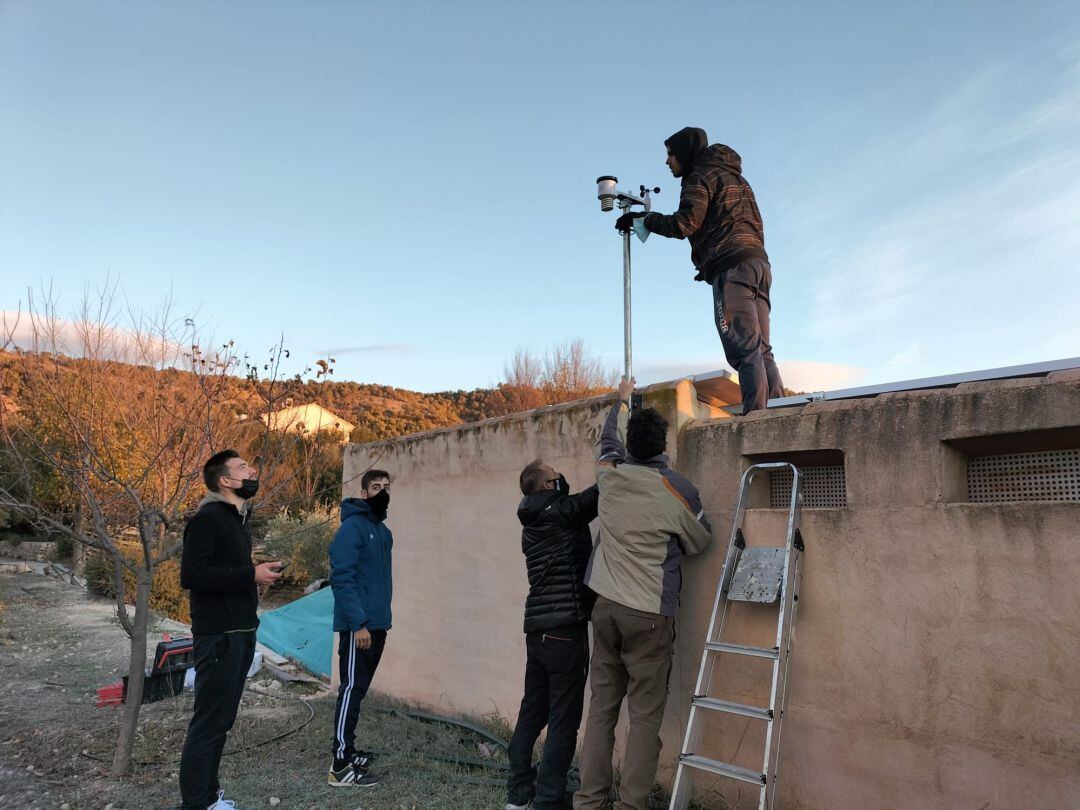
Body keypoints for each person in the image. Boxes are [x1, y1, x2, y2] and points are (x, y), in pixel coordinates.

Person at [575, 378, 713, 810]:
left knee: (600, 712)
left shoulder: (609, 474)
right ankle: (632, 804)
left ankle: (589, 801)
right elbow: (700, 541)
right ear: (664, 445)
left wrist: (620, 401)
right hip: (649, 616)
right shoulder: (677, 489)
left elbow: (605, 438)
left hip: (605, 609)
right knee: (644, 718)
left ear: (631, 446)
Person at [617, 126, 784, 413]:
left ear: (684, 153)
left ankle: (757, 421)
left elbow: (685, 223)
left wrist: (645, 219)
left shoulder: (699, 175)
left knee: (744, 348)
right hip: (758, 264)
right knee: (761, 349)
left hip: (731, 270)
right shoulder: (735, 177)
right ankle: (783, 413)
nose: (667, 162)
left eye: (670, 155)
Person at [179, 449, 283, 810]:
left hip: (240, 631)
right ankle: (196, 803)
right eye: (243, 468)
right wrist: (248, 575)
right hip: (219, 635)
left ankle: (209, 797)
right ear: (225, 480)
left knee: (221, 721)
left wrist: (254, 579)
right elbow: (192, 575)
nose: (252, 471)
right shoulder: (208, 519)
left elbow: (225, 574)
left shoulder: (238, 520)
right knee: (208, 723)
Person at [506, 460, 599, 810]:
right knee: (563, 718)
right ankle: (548, 800)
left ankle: (518, 789)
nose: (560, 476)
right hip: (564, 632)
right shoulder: (559, 511)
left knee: (533, 709)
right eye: (554, 475)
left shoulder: (531, 521)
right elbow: (598, 494)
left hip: (538, 630)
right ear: (546, 486)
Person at [327, 469, 393, 788]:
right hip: (360, 628)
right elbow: (342, 578)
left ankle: (350, 750)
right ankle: (340, 766)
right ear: (364, 493)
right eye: (376, 487)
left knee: (360, 690)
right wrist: (358, 624)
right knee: (351, 688)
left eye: (386, 487)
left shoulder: (382, 532)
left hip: (378, 625)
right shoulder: (352, 528)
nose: (382, 492)